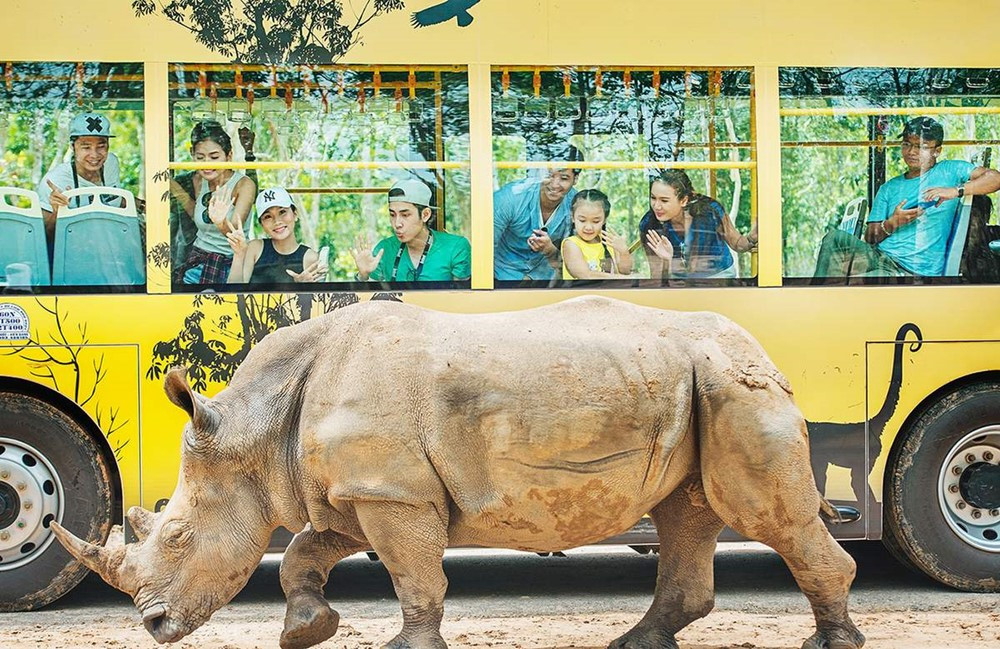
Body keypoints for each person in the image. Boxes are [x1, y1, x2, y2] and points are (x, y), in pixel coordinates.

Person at [813, 116, 1000, 279]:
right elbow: (870, 237)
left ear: (937, 151)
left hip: (912, 271)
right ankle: (819, 303)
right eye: (907, 144)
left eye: (921, 147)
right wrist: (893, 222)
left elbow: (996, 179)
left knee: (855, 285)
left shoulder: (951, 170)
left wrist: (955, 191)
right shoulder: (889, 188)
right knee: (834, 238)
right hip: (880, 258)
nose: (911, 152)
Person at [176, 121, 256, 285]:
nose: (207, 164)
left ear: (229, 155)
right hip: (197, 263)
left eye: (214, 157)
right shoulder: (199, 180)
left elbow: (236, 235)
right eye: (200, 158)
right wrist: (172, 186)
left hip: (231, 265)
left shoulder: (243, 184)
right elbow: (195, 214)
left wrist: (220, 222)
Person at [640, 169, 757, 280]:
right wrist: (667, 262)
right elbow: (657, 279)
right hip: (679, 284)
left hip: (720, 278)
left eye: (664, 200)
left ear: (684, 201)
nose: (656, 206)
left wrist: (751, 239)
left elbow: (737, 244)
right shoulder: (649, 225)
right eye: (653, 198)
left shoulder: (710, 210)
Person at [351, 179, 471, 282]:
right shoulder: (385, 249)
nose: (397, 224)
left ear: (425, 215)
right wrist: (363, 275)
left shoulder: (456, 247)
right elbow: (371, 302)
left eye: (405, 215)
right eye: (392, 215)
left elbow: (464, 299)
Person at [493, 147, 583, 281]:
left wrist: (550, 251)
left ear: (575, 179)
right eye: (549, 175)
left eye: (564, 178)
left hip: (547, 280)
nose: (554, 184)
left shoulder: (577, 206)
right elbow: (484, 248)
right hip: (502, 274)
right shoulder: (509, 198)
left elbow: (580, 262)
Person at [37, 112, 124, 247]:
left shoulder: (111, 163)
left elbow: (113, 197)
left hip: (110, 246)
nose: (94, 155)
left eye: (101, 146)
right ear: (73, 147)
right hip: (72, 253)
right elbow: (44, 239)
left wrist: (143, 206)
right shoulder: (55, 180)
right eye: (86, 147)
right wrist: (57, 212)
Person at [225, 188, 327, 284]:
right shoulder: (255, 248)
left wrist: (302, 288)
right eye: (268, 216)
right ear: (262, 224)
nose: (277, 221)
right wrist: (238, 254)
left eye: (282, 212)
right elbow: (234, 294)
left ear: (295, 214)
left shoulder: (310, 258)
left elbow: (315, 300)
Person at [560, 189, 633, 279]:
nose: (588, 227)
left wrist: (623, 251)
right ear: (573, 217)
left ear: (604, 220)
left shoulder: (609, 242)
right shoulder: (570, 244)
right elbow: (585, 275)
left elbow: (625, 271)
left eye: (595, 221)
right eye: (582, 220)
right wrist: (621, 278)